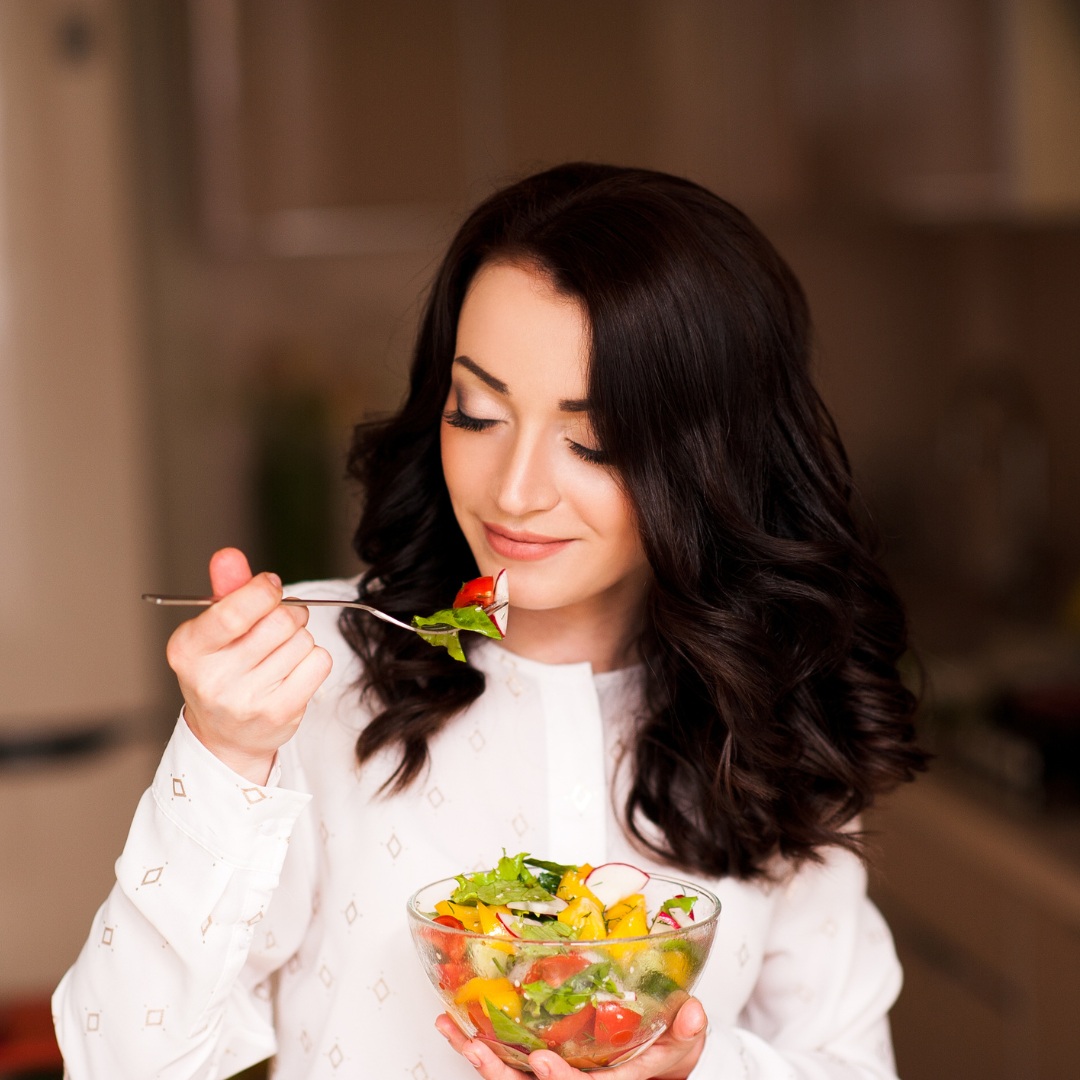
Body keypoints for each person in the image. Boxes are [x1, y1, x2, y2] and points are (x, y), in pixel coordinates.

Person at [53, 163, 926, 1079]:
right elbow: (120, 1062)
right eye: (477, 413)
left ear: (712, 455)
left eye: (594, 440)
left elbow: (848, 1064)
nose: (514, 491)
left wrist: (696, 1073)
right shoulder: (320, 680)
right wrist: (223, 755)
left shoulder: (768, 712)